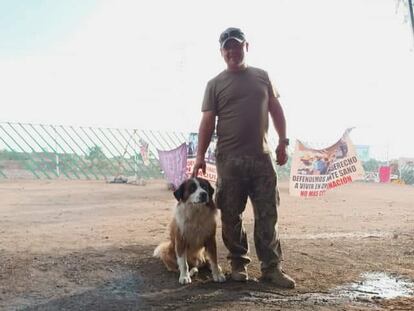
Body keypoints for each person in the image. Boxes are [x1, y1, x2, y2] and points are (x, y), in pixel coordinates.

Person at [191, 27, 295, 288]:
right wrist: (200, 155)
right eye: (227, 47)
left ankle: (272, 269)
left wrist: (283, 141)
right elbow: (206, 122)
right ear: (221, 52)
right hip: (229, 160)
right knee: (229, 214)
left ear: (246, 46)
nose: (231, 51)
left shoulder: (262, 77)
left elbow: (276, 110)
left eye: (236, 45)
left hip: (262, 158)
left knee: (267, 214)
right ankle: (238, 264)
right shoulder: (214, 84)